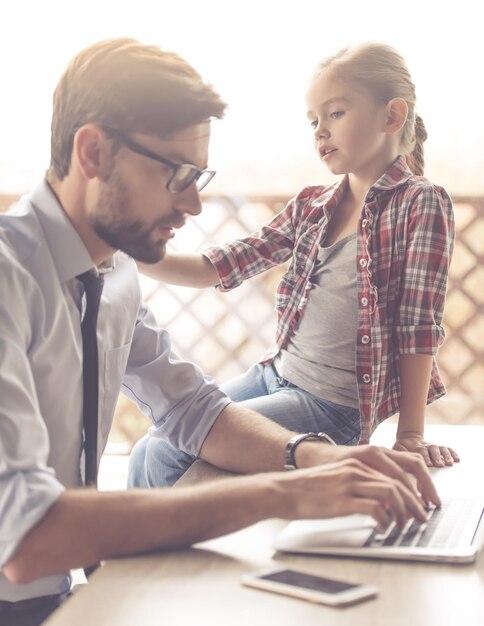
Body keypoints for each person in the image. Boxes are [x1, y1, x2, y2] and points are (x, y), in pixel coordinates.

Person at [0, 37, 440, 626]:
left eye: (198, 177)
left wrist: (315, 459)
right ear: (94, 153)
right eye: (177, 174)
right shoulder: (10, 279)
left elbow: (192, 409)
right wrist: (283, 492)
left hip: (60, 594)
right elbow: (25, 540)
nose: (194, 207)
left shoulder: (114, 274)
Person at [131, 42, 459, 490]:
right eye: (313, 121)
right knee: (149, 444)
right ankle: (128, 557)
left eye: (336, 113)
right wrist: (140, 253)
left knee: (167, 453)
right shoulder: (311, 205)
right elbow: (225, 264)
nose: (320, 131)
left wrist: (411, 435)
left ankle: (152, 556)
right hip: (273, 375)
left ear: (392, 116)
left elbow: (418, 326)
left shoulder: (421, 202)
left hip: (332, 408)